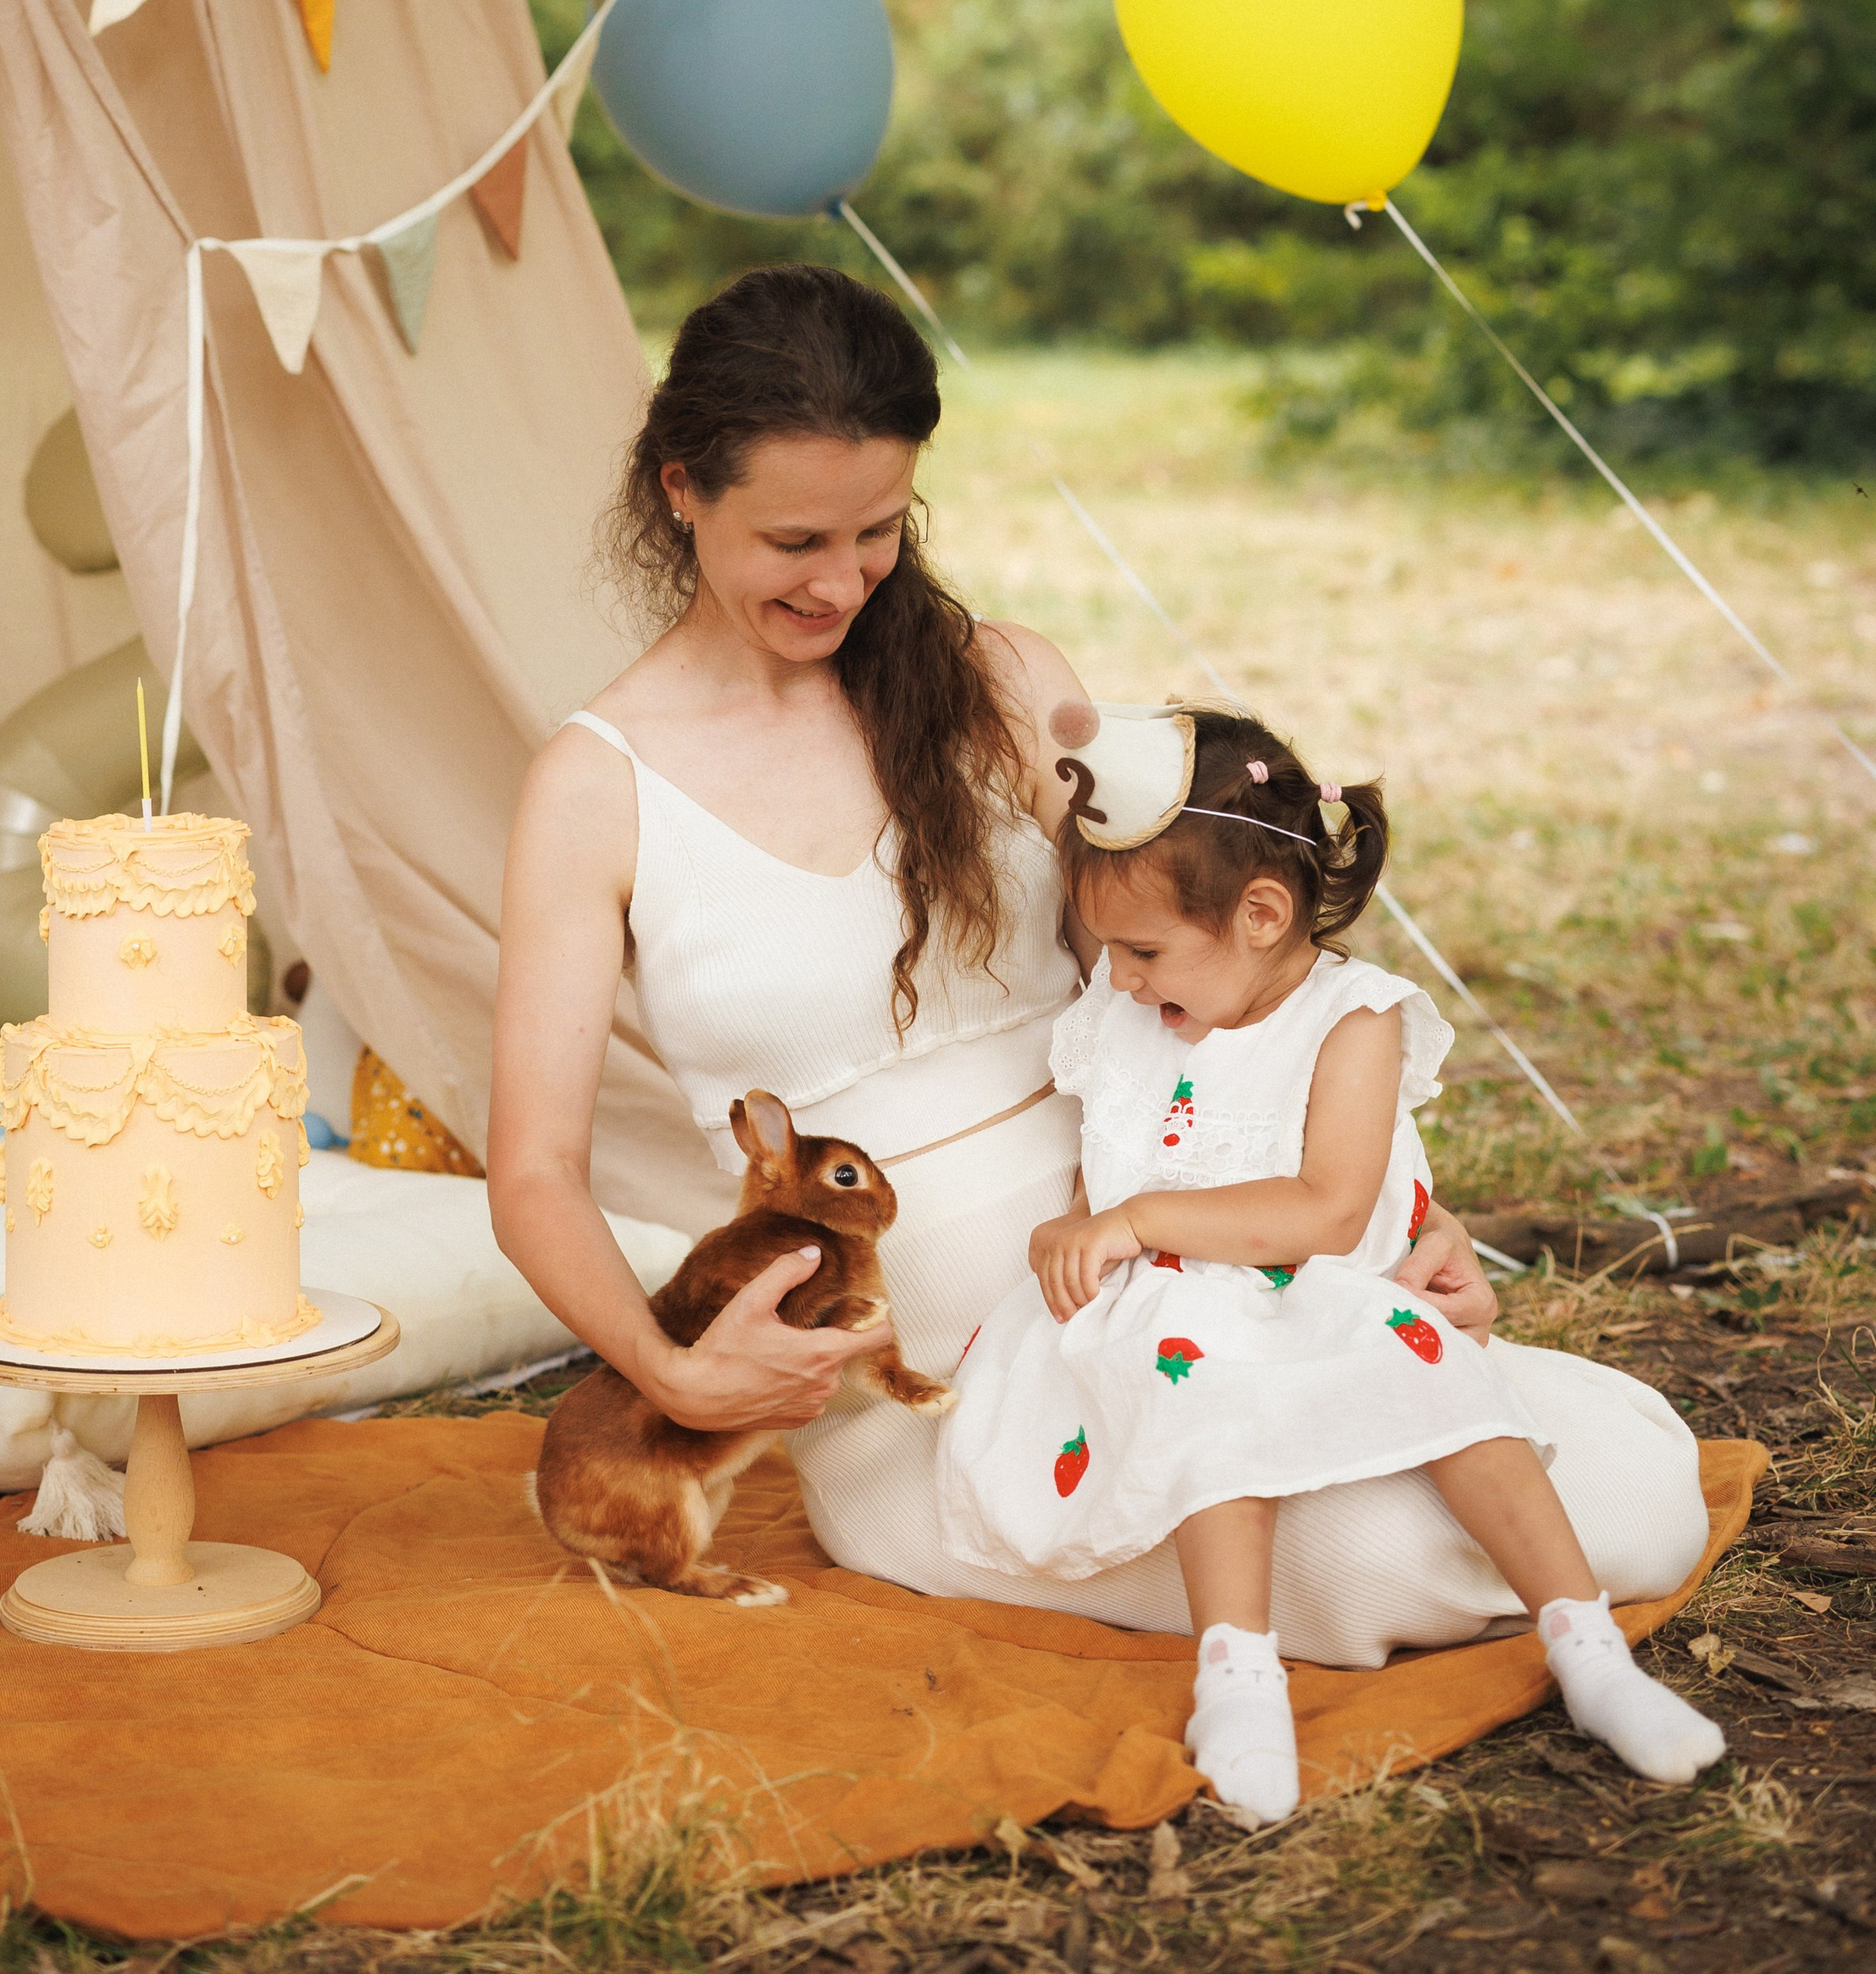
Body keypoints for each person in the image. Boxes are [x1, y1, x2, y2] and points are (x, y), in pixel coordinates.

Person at [488, 262, 1712, 1663]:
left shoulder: (996, 681)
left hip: (1174, 1265)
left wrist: (1382, 1218)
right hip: (928, 1377)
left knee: (1617, 1492)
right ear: (680, 489)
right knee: (1386, 1560)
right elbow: (533, 1168)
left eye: (880, 529)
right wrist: (677, 1373)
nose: (842, 580)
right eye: (795, 539)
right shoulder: (598, 785)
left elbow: (1215, 982)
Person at [932, 700, 1726, 1817]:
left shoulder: (1354, 1018)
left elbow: (1330, 1203)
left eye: (1142, 948)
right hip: (1172, 1304)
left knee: (1458, 1395)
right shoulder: (1126, 1023)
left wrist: (1142, 1218)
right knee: (1200, 1392)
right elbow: (1107, 1184)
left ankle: (1588, 1647)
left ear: (1262, 912)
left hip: (1328, 1281)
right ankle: (1237, 1671)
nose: (1116, 977)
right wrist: (1080, 1227)